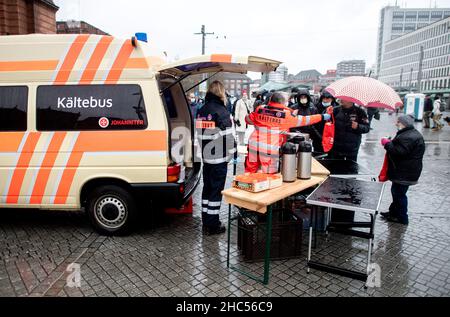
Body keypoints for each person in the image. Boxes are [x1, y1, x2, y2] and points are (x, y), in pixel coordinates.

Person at [244, 92, 330, 174]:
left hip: (253, 146)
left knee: (250, 170)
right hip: (270, 150)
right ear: (283, 102)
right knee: (267, 174)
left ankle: (245, 186)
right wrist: (322, 116)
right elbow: (306, 120)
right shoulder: (286, 115)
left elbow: (248, 120)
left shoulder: (260, 109)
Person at [196, 81, 236, 235]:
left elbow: (199, 135)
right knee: (215, 192)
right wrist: (231, 155)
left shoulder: (201, 110)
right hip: (219, 159)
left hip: (206, 158)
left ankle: (206, 221)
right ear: (221, 92)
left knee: (207, 190)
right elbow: (228, 138)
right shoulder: (222, 111)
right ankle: (212, 226)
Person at [380, 114, 425, 225]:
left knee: (399, 194)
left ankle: (402, 218)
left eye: (398, 122)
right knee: (397, 192)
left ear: (404, 123)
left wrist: (387, 144)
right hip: (405, 171)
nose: (396, 123)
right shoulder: (409, 134)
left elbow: (399, 152)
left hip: (405, 172)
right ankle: (393, 213)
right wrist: (392, 142)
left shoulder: (408, 136)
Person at [290, 89, 324, 154]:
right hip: (296, 135)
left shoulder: (313, 108)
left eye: (305, 97)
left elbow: (316, 123)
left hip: (309, 135)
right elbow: (290, 122)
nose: (303, 99)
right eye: (301, 97)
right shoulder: (293, 108)